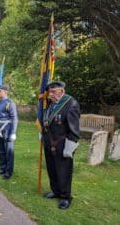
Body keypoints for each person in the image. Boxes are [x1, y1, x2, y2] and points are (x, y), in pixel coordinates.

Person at [41, 81, 80, 210]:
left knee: (64, 171)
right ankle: (56, 191)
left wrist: (69, 148)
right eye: (49, 92)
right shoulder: (51, 105)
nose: (50, 95)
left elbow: (74, 130)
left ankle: (65, 197)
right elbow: (46, 122)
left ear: (61, 91)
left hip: (63, 144)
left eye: (53, 92)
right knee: (52, 169)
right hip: (49, 143)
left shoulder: (70, 104)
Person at [0, 84, 18, 179]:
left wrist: (13, 132)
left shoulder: (10, 103)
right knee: (1, 151)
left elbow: (15, 118)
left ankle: (8, 172)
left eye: (0, 91)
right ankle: (2, 168)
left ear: (5, 92)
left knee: (9, 152)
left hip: (7, 130)